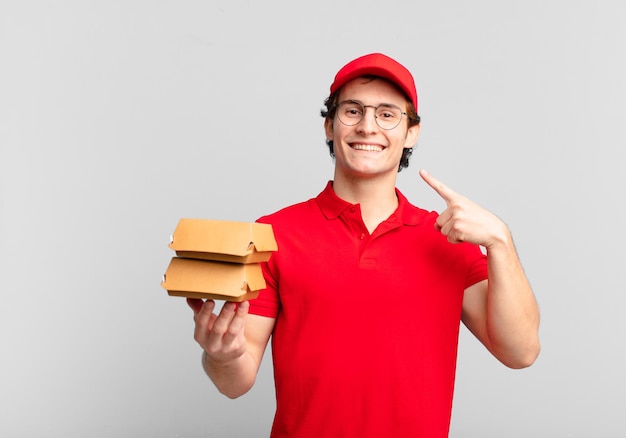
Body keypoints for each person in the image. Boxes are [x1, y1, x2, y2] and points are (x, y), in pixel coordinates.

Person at [187, 53, 540, 437]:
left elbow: (520, 352)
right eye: (352, 111)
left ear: (411, 133)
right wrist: (221, 356)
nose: (368, 127)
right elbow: (234, 382)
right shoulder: (273, 233)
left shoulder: (447, 239)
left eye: (387, 114)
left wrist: (500, 241)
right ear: (329, 125)